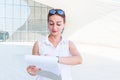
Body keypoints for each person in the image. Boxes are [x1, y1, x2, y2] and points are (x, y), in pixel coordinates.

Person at [27, 8, 82, 80]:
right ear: (48, 24)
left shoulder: (68, 44)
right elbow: (35, 70)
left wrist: (54, 59)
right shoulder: (39, 44)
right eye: (51, 23)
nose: (54, 27)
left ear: (64, 24)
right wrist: (31, 71)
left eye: (58, 24)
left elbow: (79, 59)